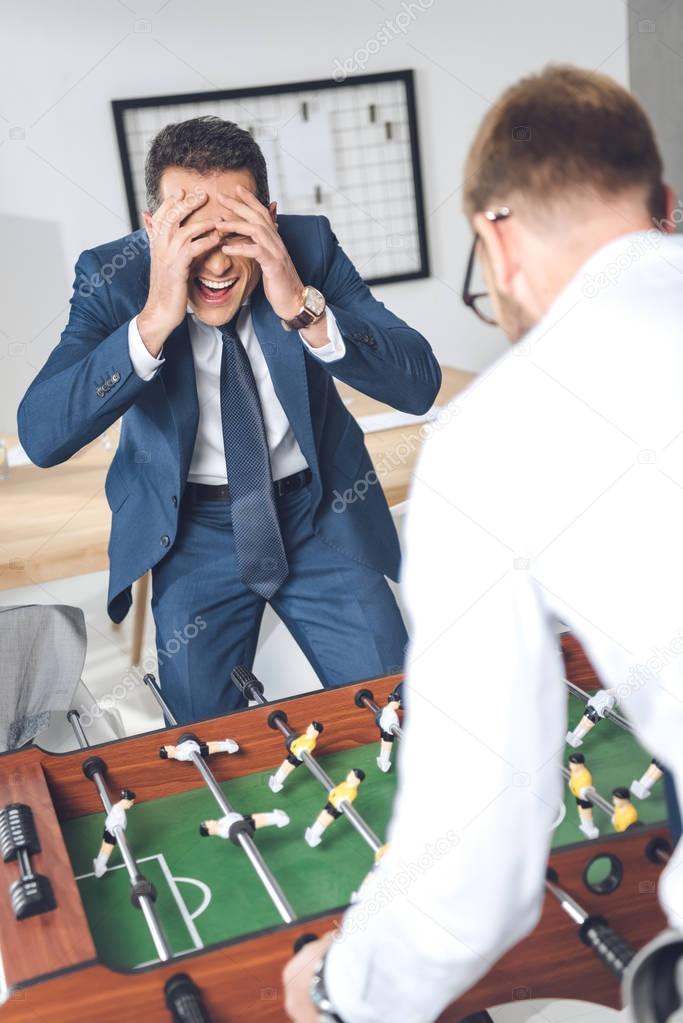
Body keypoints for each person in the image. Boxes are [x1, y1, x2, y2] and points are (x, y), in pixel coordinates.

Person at [283, 64, 683, 1023]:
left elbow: (473, 868)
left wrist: (343, 989)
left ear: (493, 239)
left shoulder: (493, 435)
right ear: (664, 207)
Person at [17, 117, 441, 726]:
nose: (214, 264)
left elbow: (419, 382)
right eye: (191, 234)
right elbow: (42, 434)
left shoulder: (309, 248)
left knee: (399, 714)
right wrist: (154, 319)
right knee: (205, 739)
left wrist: (302, 305)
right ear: (154, 229)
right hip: (190, 532)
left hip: (318, 512)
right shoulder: (112, 279)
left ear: (267, 217)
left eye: (235, 233)